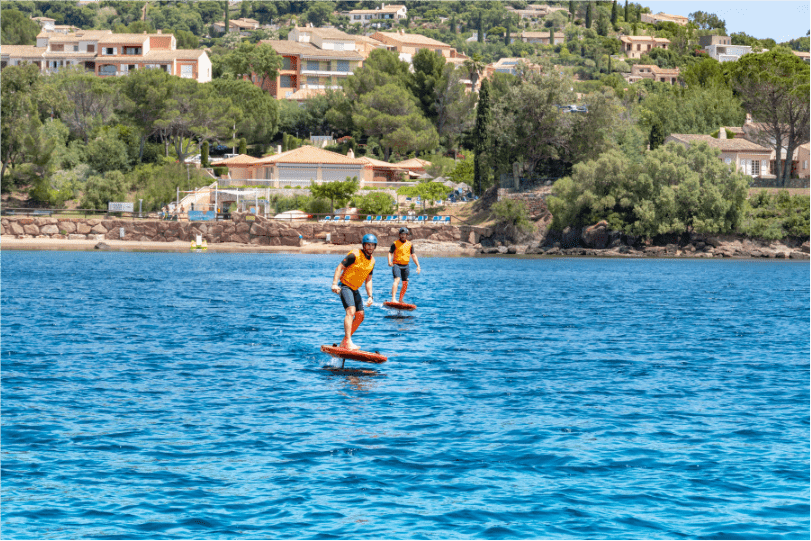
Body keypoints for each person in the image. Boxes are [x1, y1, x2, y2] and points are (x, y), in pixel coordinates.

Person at [331, 234, 377, 350]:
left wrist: (370, 296)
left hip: (355, 289)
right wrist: (334, 284)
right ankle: (348, 341)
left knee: (360, 316)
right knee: (351, 311)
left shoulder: (372, 261)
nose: (370, 247)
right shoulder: (355, 255)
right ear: (364, 245)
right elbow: (339, 267)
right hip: (345, 286)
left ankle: (345, 341)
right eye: (368, 245)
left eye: (372, 245)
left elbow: (368, 280)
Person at [388, 227, 421, 303]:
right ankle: (393, 299)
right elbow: (390, 253)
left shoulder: (410, 244)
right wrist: (389, 261)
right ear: (399, 235)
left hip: (406, 266)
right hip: (396, 265)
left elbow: (413, 255)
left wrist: (418, 266)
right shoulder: (395, 243)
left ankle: (400, 300)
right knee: (397, 279)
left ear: (406, 235)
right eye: (401, 234)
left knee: (405, 283)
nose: (403, 236)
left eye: (404, 234)